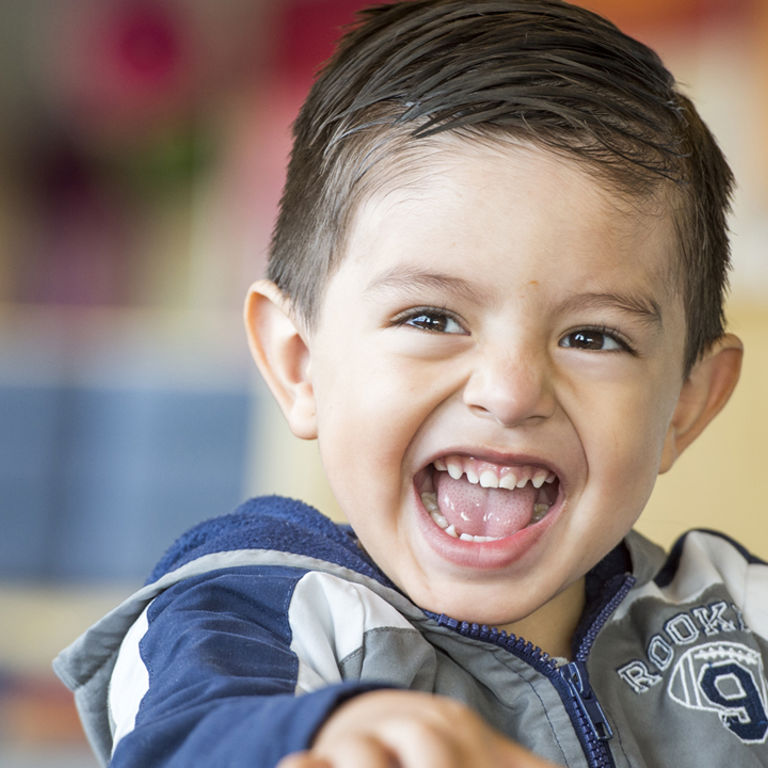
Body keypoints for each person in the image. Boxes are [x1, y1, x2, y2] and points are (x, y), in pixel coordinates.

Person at [55, 1, 768, 766]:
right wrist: (323, 734)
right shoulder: (247, 611)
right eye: (431, 318)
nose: (511, 390)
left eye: (592, 337)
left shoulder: (738, 613)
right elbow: (187, 735)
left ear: (689, 402)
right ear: (298, 362)